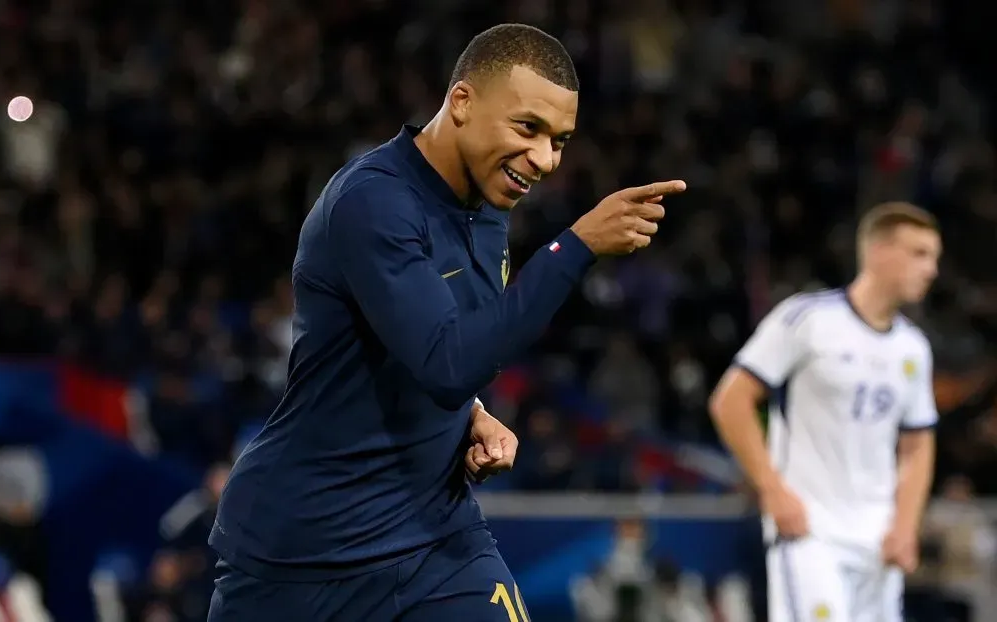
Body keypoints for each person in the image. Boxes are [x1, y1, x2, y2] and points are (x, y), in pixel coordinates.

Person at [207, 23, 686, 622]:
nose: (544, 159)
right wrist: (577, 247)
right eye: (528, 128)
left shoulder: (488, 209)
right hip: (304, 552)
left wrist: (473, 416)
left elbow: (438, 346)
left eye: (559, 140)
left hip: (435, 537)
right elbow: (448, 362)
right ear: (462, 101)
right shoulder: (373, 201)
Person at [709, 202, 941, 622]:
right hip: (810, 531)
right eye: (919, 254)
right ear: (878, 252)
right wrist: (772, 490)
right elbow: (731, 400)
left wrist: (906, 524)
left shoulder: (914, 348)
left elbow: (918, 444)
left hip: (878, 539)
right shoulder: (807, 319)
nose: (931, 269)